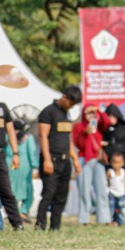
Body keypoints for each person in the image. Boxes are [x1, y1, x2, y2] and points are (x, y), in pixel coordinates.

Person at [36, 86, 83, 231]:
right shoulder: (48, 112)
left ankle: (55, 227)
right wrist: (47, 159)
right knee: (49, 194)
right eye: (70, 103)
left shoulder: (66, 114)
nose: (71, 107)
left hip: (65, 161)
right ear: (64, 97)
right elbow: (43, 136)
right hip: (52, 159)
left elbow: (67, 138)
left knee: (62, 195)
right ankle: (40, 225)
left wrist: (74, 159)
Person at [0, 78, 25, 231]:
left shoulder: (2, 109)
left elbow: (10, 131)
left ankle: (17, 224)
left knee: (6, 192)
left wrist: (16, 153)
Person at [72, 103, 111, 225]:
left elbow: (107, 122)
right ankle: (84, 219)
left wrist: (98, 110)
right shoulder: (78, 126)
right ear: (83, 114)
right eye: (88, 113)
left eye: (92, 113)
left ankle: (103, 218)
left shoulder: (98, 125)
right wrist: (85, 133)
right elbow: (78, 143)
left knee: (101, 190)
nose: (91, 115)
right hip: (84, 159)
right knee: (84, 190)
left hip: (97, 160)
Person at [102, 104, 125, 221]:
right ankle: (111, 218)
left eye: (113, 116)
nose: (111, 119)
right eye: (108, 116)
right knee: (111, 193)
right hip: (110, 165)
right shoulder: (104, 129)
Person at [4, 117, 37, 224]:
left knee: (10, 190)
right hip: (25, 167)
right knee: (28, 191)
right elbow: (32, 152)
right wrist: (35, 165)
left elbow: (3, 151)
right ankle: (22, 212)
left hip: (10, 166)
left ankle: (12, 213)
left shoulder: (6, 137)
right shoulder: (27, 138)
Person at [106, 151, 125, 225]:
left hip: (121, 193)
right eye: (115, 162)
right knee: (111, 207)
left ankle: (120, 221)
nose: (117, 165)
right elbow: (106, 181)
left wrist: (124, 187)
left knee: (120, 208)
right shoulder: (110, 172)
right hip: (112, 192)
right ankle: (109, 221)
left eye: (119, 162)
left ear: (123, 163)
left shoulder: (124, 172)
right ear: (111, 163)